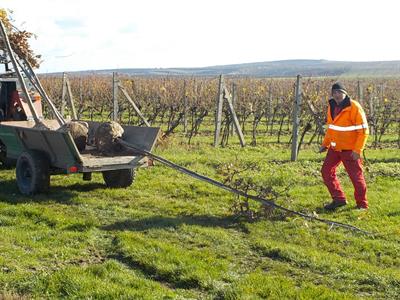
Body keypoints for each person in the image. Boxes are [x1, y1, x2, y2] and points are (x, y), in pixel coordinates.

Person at [319, 82, 369, 210]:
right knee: (326, 171)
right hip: (335, 148)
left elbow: (363, 131)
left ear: (345, 93)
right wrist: (325, 144)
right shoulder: (331, 106)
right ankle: (339, 199)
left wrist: (358, 150)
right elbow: (331, 128)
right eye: (334, 92)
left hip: (350, 149)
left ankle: (362, 204)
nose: (336, 95)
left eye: (339, 92)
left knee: (356, 177)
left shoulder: (354, 107)